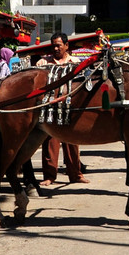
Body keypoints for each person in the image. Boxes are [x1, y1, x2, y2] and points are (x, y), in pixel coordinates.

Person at [40, 33, 88, 186]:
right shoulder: (43, 63)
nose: (55, 48)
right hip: (51, 109)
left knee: (73, 142)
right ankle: (49, 176)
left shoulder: (76, 62)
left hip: (71, 108)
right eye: (53, 45)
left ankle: (76, 174)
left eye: (58, 45)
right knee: (50, 142)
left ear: (66, 46)